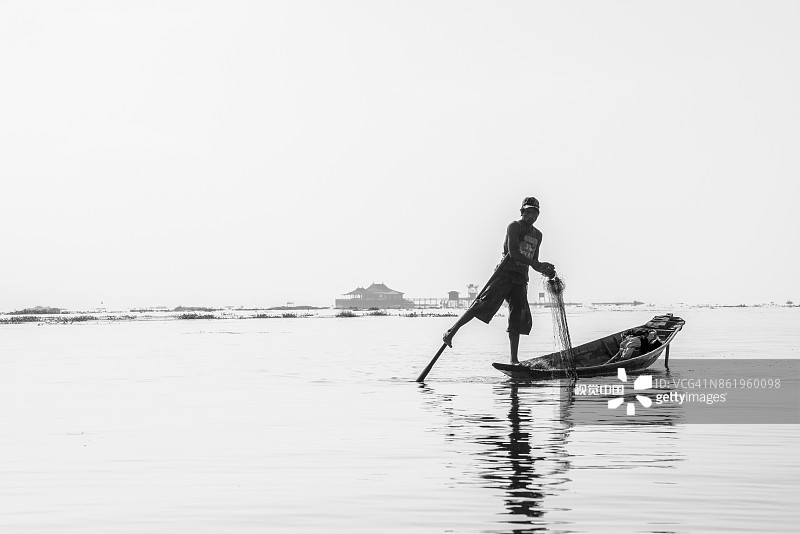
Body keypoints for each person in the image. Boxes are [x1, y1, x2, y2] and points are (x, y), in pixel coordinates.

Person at [442, 196, 556, 364]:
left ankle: (513, 360)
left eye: (535, 213)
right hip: (505, 273)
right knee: (481, 304)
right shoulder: (514, 227)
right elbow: (514, 253)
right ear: (522, 212)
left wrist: (544, 269)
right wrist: (536, 264)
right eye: (528, 212)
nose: (531, 216)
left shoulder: (538, 235)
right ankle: (451, 331)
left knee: (516, 316)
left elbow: (534, 260)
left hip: (521, 278)